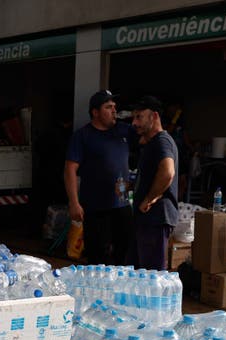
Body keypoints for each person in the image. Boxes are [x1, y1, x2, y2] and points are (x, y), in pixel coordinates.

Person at [64, 90, 134, 265]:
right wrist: (74, 202)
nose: (113, 111)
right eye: (108, 107)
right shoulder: (83, 136)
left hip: (122, 204)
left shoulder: (124, 131)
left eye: (114, 107)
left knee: (125, 254)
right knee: (98, 257)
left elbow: (148, 136)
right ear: (95, 112)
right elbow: (70, 170)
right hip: (95, 207)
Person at [130, 96, 179, 269]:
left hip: (156, 218)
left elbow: (168, 172)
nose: (135, 122)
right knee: (142, 274)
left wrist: (149, 198)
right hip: (148, 220)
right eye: (133, 118)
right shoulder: (152, 143)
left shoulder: (162, 141)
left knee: (152, 277)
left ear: (154, 116)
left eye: (139, 117)